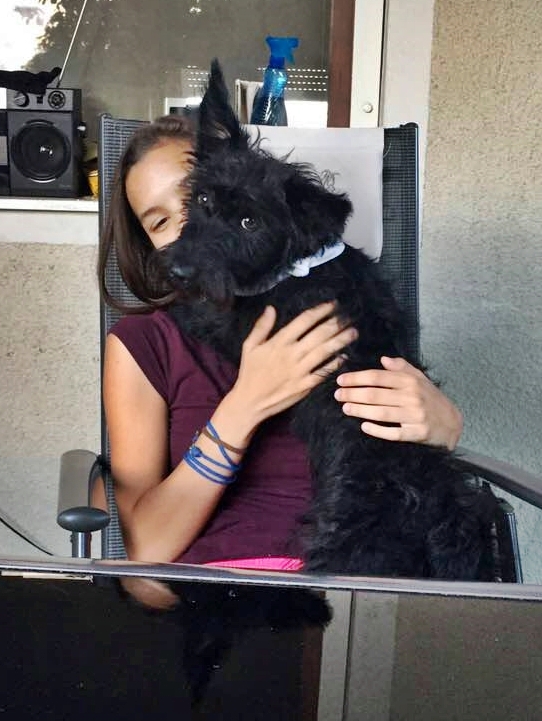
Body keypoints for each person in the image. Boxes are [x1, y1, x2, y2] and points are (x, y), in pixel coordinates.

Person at [97, 115, 463, 573]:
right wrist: (244, 406)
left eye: (198, 197)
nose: (193, 225)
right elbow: (148, 548)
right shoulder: (146, 343)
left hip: (368, 583)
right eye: (160, 221)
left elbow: (404, 472)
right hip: (225, 587)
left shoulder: (348, 314)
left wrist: (443, 429)